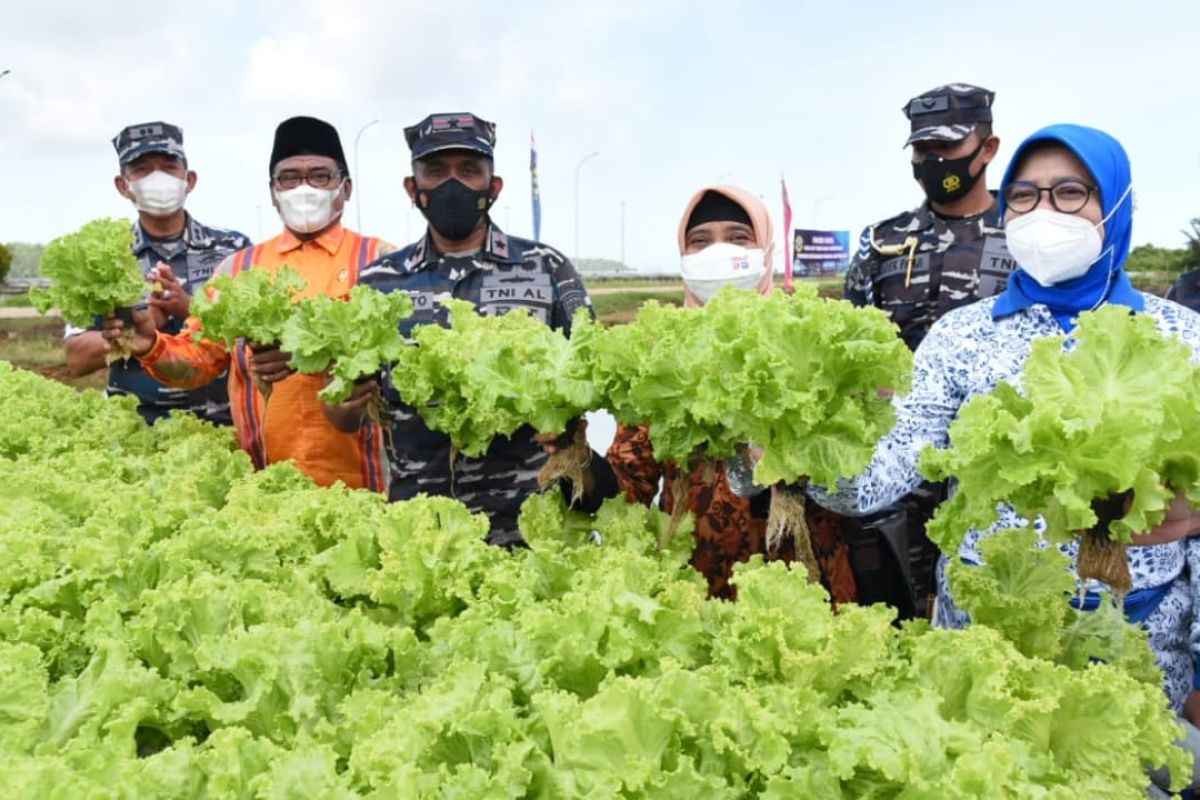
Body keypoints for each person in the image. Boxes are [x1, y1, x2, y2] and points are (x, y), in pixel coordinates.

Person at [808, 124, 1200, 731]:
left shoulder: (1181, 337)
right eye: (1024, 195)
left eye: (1069, 193)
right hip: (986, 649)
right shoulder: (963, 334)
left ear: (1116, 205)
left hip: (1139, 654)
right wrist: (807, 450)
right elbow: (883, 475)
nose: (1043, 211)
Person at [547, 185, 858, 602]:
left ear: (764, 249)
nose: (719, 251)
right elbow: (629, 487)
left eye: (738, 237)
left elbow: (858, 474)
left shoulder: (812, 342)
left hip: (805, 585)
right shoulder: (659, 356)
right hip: (693, 589)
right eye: (700, 241)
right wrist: (574, 454)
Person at [324, 112, 604, 544]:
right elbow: (342, 412)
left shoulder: (546, 269)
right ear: (412, 188)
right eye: (435, 171)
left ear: (493, 187)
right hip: (421, 533)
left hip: (530, 530)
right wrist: (343, 407)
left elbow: (593, 370)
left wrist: (563, 417)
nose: (451, 184)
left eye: (469, 171)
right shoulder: (378, 283)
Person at [105, 116, 394, 491]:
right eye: (289, 177)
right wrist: (151, 346)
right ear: (273, 191)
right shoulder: (239, 268)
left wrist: (315, 356)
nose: (303, 187)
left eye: (320, 176)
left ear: (346, 187)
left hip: (365, 483)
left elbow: (403, 369)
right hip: (265, 487)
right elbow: (199, 361)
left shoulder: (382, 263)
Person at [839, 83, 1015, 619]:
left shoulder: (1025, 235)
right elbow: (845, 345)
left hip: (996, 474)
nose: (933, 162)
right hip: (896, 475)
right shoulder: (883, 241)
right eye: (922, 152)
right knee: (900, 614)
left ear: (987, 149)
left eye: (946, 149)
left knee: (992, 613)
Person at [65, 121, 249, 425]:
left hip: (223, 423)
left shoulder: (233, 249)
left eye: (168, 167)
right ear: (123, 186)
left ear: (189, 179)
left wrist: (190, 308)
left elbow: (254, 338)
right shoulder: (103, 259)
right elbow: (77, 358)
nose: (157, 177)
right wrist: (136, 330)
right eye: (142, 170)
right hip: (137, 431)